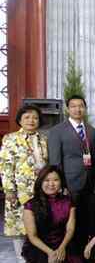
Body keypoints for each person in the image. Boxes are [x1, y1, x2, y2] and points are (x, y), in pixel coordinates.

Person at [0, 105, 48, 262]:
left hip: (42, 191)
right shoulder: (10, 139)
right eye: (27, 117)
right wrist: (9, 190)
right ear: (20, 120)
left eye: (35, 117)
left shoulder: (44, 139)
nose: (31, 120)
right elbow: (6, 167)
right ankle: (22, 260)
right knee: (20, 228)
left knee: (39, 226)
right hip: (19, 192)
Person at [21, 166, 82, 263]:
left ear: (61, 182)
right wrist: (50, 253)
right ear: (40, 182)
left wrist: (62, 248)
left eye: (56, 180)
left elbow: (70, 229)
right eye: (47, 180)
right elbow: (32, 236)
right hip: (41, 247)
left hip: (64, 243)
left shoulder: (69, 202)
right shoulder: (30, 205)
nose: (51, 184)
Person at [48, 95, 95, 200]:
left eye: (81, 106)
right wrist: (60, 184)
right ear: (67, 109)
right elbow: (55, 161)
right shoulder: (57, 131)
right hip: (69, 183)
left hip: (90, 182)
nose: (78, 109)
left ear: (85, 108)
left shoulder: (92, 130)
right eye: (73, 106)